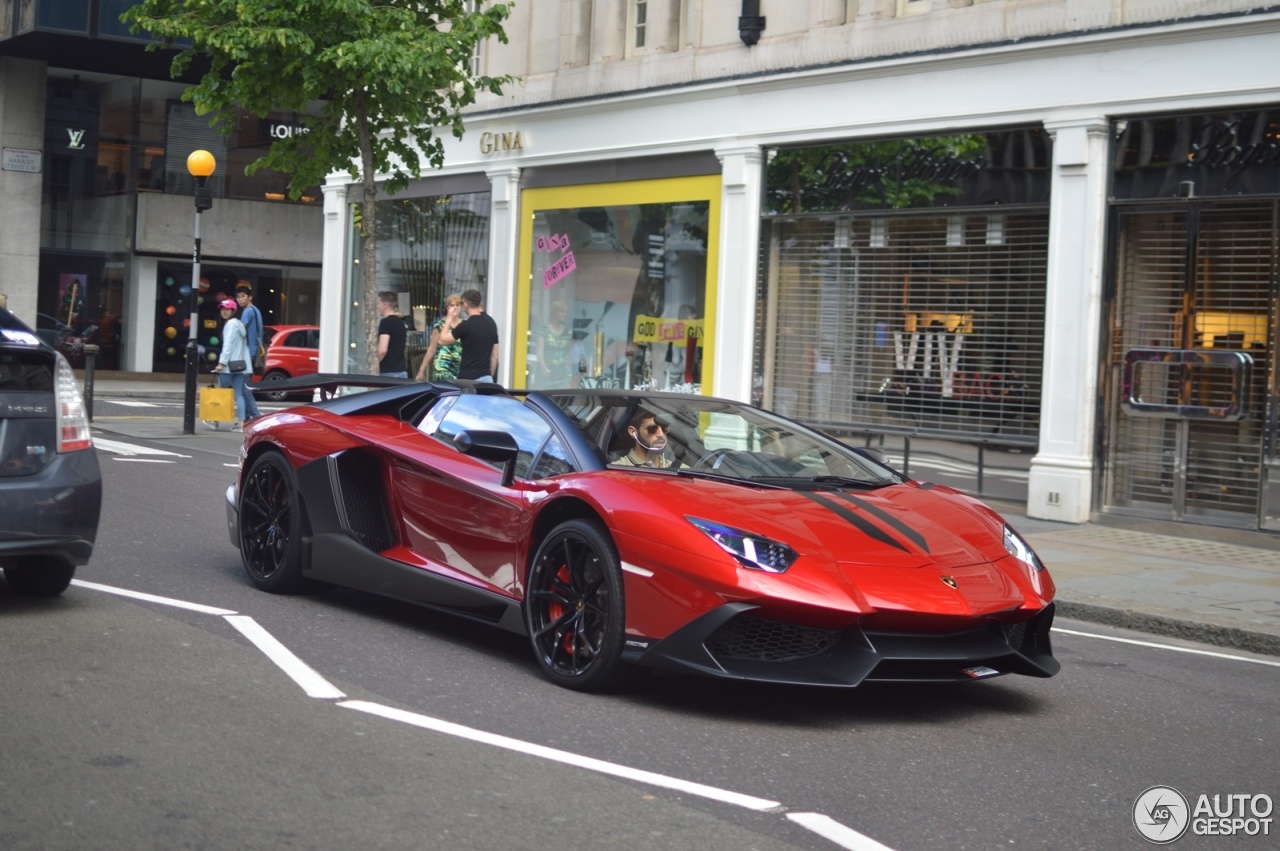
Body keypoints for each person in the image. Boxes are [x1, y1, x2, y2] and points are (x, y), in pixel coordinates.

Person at [208, 298, 253, 430]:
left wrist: (221, 363)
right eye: (222, 309)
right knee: (238, 393)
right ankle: (241, 422)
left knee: (220, 393)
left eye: (227, 309)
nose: (224, 312)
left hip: (228, 366)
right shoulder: (239, 324)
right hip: (239, 365)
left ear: (233, 310)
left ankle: (214, 420)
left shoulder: (230, 325)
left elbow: (227, 346)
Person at [439, 288, 499, 382]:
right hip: (486, 377)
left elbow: (442, 340)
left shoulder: (465, 326)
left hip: (468, 379)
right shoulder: (491, 323)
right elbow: (494, 356)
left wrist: (449, 318)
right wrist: (488, 376)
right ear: (479, 302)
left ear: (466, 304)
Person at [415, 293, 464, 382]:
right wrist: (421, 371)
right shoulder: (440, 326)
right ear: (447, 308)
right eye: (452, 305)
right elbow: (431, 349)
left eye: (458, 305)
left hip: (459, 368)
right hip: (442, 367)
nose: (455, 308)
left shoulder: (465, 325)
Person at [233, 285, 263, 420]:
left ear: (250, 297)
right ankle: (246, 417)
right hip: (255, 351)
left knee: (243, 387)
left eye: (243, 296)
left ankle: (255, 415)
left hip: (249, 353)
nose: (240, 300)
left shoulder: (247, 312)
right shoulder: (256, 311)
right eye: (238, 297)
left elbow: (241, 331)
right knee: (245, 386)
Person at [534, 300, 573, 388]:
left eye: (565, 312)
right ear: (554, 313)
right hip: (545, 375)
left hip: (562, 375)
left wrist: (569, 373)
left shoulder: (568, 332)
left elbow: (569, 354)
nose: (564, 314)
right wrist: (544, 369)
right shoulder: (543, 330)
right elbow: (539, 352)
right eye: (562, 312)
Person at [377, 291, 408, 377]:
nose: (377, 306)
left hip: (387, 371)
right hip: (401, 370)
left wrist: (374, 365)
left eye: (379, 303)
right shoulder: (401, 323)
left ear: (385, 305)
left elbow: (383, 350)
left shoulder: (385, 322)